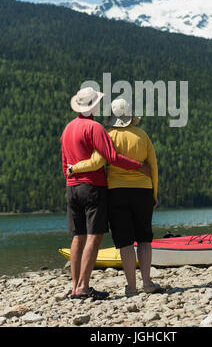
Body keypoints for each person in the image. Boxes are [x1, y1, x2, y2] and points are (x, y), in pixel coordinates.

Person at [61, 87, 150, 301]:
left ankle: (75, 286)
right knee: (94, 236)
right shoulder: (95, 128)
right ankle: (83, 287)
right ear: (94, 106)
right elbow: (111, 156)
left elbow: (64, 162)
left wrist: (70, 180)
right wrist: (138, 166)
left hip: (72, 187)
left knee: (78, 236)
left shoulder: (67, 129)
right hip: (92, 186)